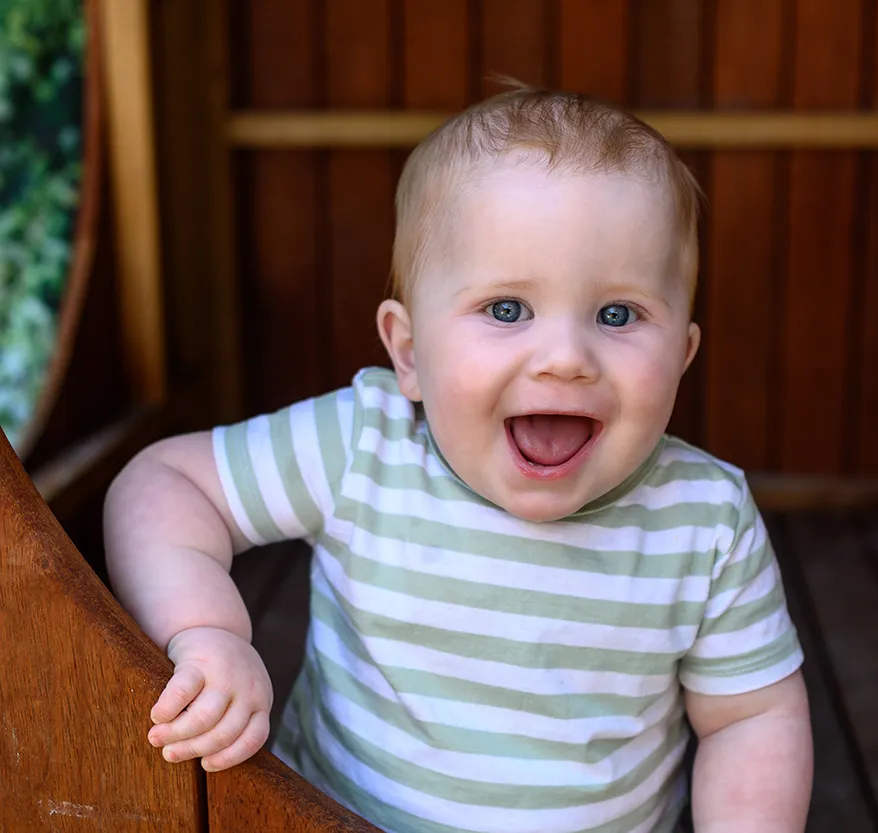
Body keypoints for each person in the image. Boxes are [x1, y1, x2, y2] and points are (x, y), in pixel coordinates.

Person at [104, 83, 812, 833]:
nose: (566, 358)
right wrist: (205, 629)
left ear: (682, 355)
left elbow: (751, 715)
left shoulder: (703, 517)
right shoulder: (364, 447)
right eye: (507, 309)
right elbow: (165, 481)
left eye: (618, 314)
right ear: (408, 352)